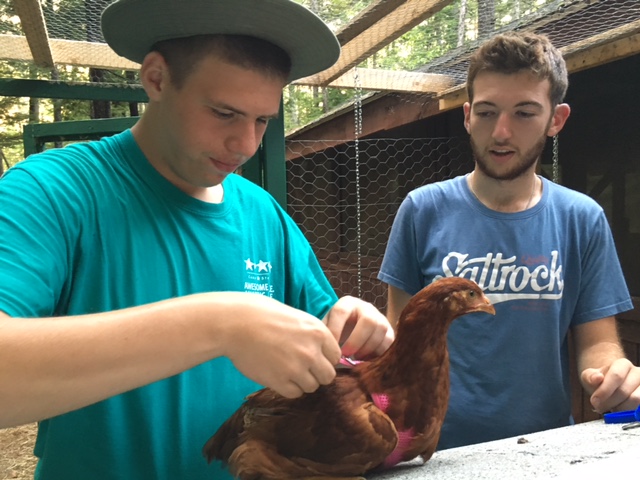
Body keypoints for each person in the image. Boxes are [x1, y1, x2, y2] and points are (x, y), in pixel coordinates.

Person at [0, 0, 394, 478]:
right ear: (157, 79)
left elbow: (328, 348)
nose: (246, 144)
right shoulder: (51, 191)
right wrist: (218, 325)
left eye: (262, 120)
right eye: (224, 113)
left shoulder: (262, 214)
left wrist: (358, 329)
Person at [379, 31, 640, 450]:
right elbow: (398, 335)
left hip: (544, 448)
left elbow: (599, 343)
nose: (501, 132)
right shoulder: (422, 209)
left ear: (556, 119)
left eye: (523, 113)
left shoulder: (581, 218)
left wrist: (612, 374)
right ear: (467, 116)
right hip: (428, 450)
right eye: (486, 112)